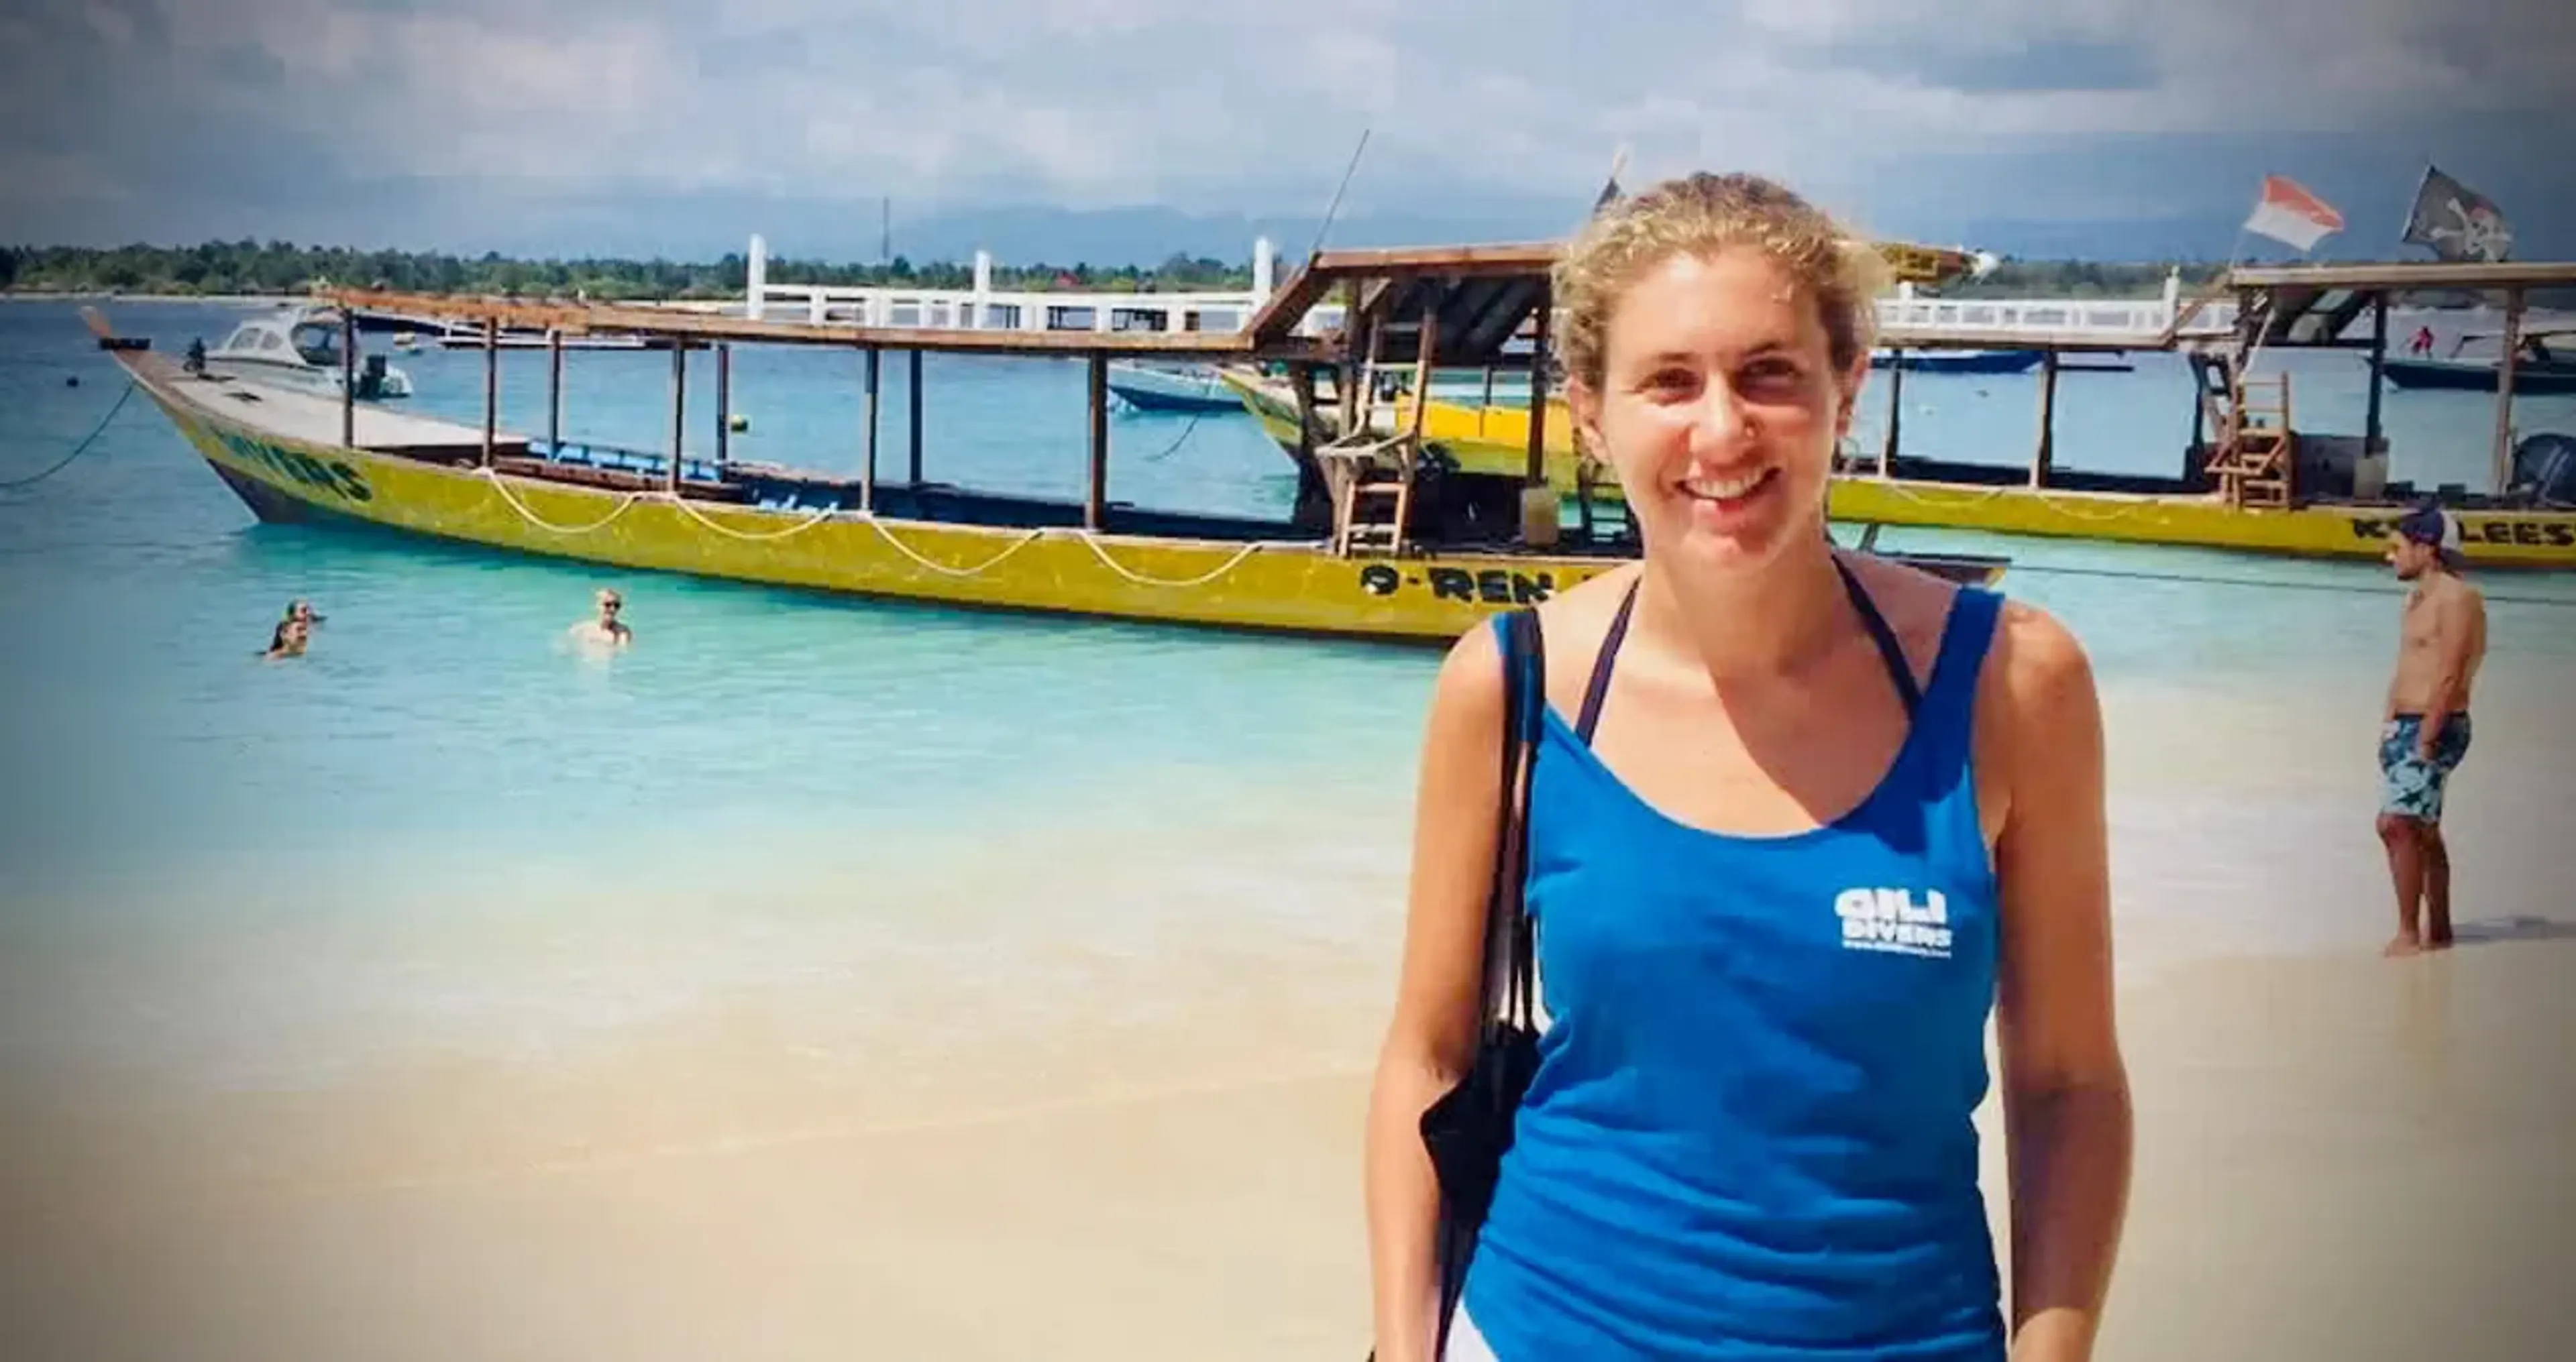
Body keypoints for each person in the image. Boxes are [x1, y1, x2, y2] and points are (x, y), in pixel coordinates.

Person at [1363, 172, 2132, 1361]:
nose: (1720, 431)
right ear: (1591, 411)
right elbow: (1429, 1053)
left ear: (1846, 388)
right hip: (1542, 1330)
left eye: (1769, 373)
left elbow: (2069, 1080)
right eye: (1669, 381)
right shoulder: (1511, 686)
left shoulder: (2010, 684)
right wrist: (1399, 1346)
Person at [2377, 504, 2486, 957]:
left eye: (2398, 547)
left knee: (2395, 824)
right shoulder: (2418, 597)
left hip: (2433, 725)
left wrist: (2426, 737)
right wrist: (2389, 724)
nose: (2390, 556)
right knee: (2422, 829)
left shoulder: (2457, 599)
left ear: (2427, 548)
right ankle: (2439, 930)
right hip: (2406, 725)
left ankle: (2407, 933)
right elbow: (2409, 664)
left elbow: (2449, 672)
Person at [568, 588, 633, 648]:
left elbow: (622, 653)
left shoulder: (622, 632)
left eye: (617, 606)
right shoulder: (582, 629)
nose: (613, 609)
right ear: (598, 606)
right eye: (608, 605)